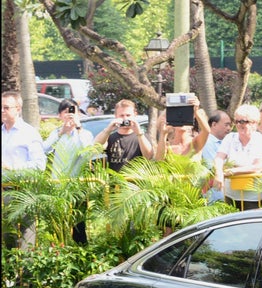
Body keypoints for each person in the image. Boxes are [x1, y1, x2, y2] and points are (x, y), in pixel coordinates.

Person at [43, 98, 95, 245]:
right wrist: (61, 132)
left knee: (79, 225)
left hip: (77, 187)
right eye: (66, 112)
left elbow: (87, 153)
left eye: (73, 111)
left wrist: (78, 128)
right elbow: (43, 150)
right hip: (57, 185)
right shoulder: (55, 134)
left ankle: (80, 252)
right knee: (58, 225)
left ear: (79, 114)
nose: (70, 115)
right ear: (60, 115)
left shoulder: (85, 134)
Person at [212, 103, 262, 209]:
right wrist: (218, 173)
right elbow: (219, 158)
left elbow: (258, 166)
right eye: (237, 121)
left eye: (243, 121)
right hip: (230, 195)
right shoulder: (230, 138)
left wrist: (232, 171)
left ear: (255, 123)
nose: (239, 124)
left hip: (253, 197)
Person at [93, 99, 154, 171]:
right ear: (116, 116)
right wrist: (108, 130)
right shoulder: (109, 137)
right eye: (121, 115)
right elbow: (95, 146)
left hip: (135, 180)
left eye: (128, 115)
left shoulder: (142, 137)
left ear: (135, 115)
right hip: (114, 180)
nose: (125, 119)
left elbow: (149, 156)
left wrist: (139, 133)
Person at [2, 91, 46, 173]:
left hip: (18, 184)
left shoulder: (29, 133)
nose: (2, 111)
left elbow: (39, 165)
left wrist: (12, 168)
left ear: (18, 109)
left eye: (6, 108)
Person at [201, 110, 232, 202]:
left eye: (230, 125)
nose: (229, 128)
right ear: (214, 125)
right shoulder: (207, 143)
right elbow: (212, 167)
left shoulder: (226, 142)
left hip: (226, 195)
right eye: (226, 125)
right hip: (214, 196)